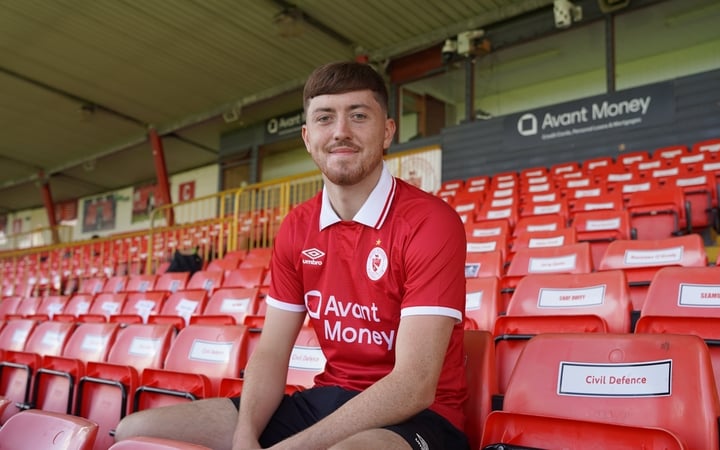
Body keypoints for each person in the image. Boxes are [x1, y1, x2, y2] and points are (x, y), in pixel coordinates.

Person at [114, 61, 469, 450]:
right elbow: (270, 353)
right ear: (307, 136)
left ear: (387, 132)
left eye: (358, 115)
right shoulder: (297, 227)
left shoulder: (431, 222)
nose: (340, 132)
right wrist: (245, 435)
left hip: (420, 418)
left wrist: (293, 448)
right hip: (329, 399)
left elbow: (414, 385)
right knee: (135, 432)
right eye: (324, 118)